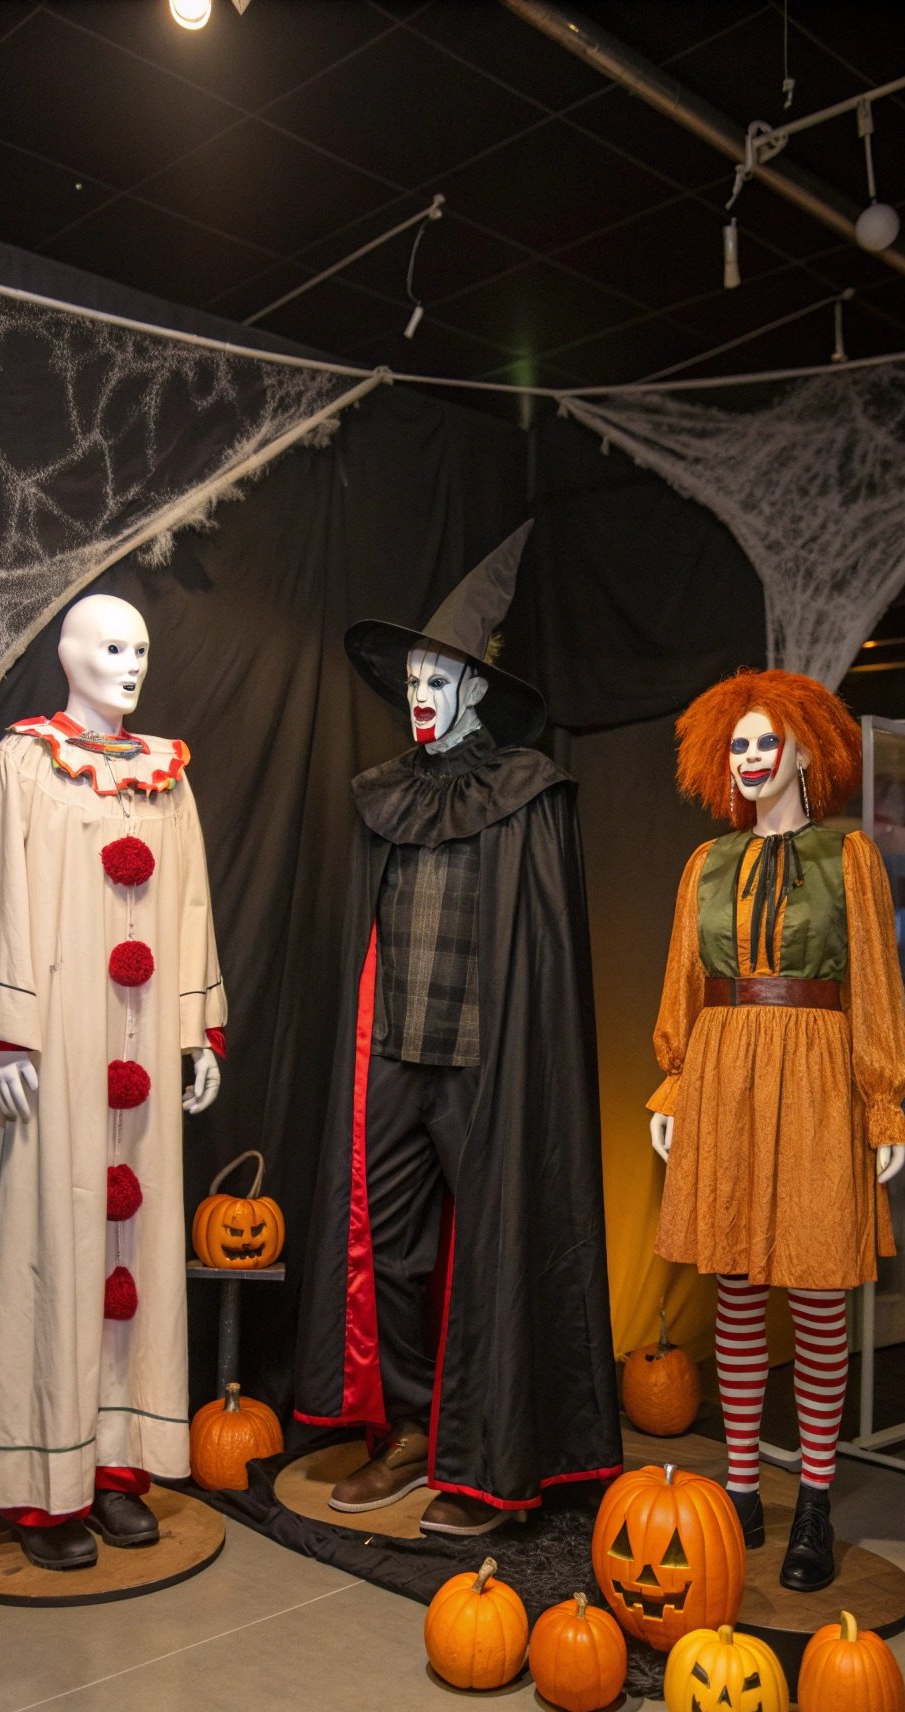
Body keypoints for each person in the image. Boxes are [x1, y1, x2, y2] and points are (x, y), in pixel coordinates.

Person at [295, 524, 621, 1536]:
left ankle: (485, 1458)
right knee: (388, 1253)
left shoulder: (526, 793)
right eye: (413, 677)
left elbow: (542, 952)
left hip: (490, 1061)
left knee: (491, 1249)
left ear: (477, 688)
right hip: (394, 1049)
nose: (422, 692)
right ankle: (398, 1432)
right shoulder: (386, 792)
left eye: (440, 675)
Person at [0, 594, 226, 1569]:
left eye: (141, 645)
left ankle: (115, 1468)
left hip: (143, 1045)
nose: (130, 662)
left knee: (135, 1256)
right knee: (50, 1247)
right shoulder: (19, 764)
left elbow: (185, 897)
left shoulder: (168, 780)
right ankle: (41, 1485)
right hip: (55, 1036)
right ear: (69, 654)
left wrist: (195, 1031)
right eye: (111, 644)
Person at [648, 669, 905, 1592]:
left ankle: (812, 1500)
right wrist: (674, 1085)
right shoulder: (706, 864)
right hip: (723, 1067)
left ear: (807, 748)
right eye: (739, 744)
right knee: (732, 1279)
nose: (752, 758)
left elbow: (877, 979)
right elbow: (684, 978)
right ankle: (739, 1491)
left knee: (815, 1285)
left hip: (812, 1068)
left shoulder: (850, 858)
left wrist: (884, 1098)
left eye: (767, 742)